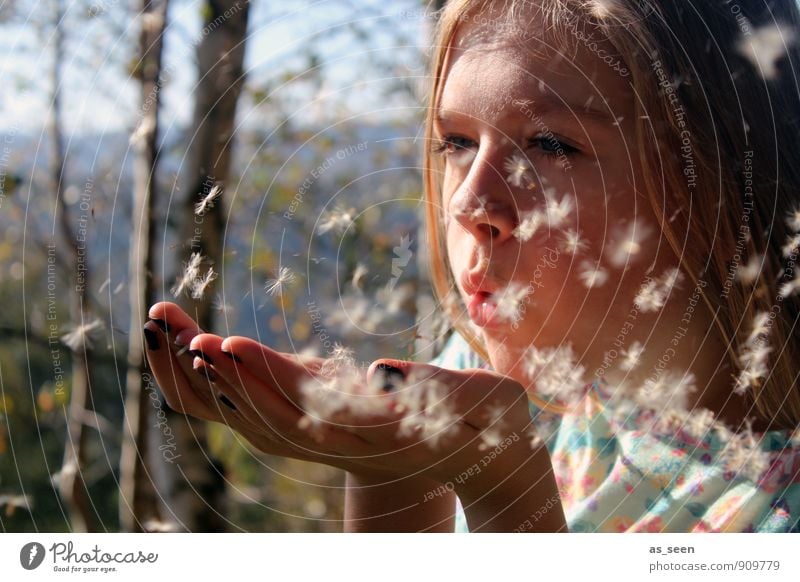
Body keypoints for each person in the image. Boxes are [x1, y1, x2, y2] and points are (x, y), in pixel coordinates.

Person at [144, 0, 800, 532]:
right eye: (457, 141)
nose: (467, 202)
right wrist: (392, 470)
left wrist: (506, 495)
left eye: (550, 145)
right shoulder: (487, 381)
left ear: (712, 184)